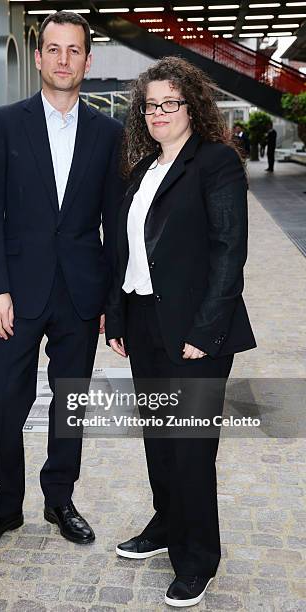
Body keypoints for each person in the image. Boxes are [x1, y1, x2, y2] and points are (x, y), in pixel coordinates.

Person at [0, 11, 124, 552]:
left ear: (86, 60)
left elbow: (114, 222)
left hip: (80, 291)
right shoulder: (5, 122)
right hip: (16, 292)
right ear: (38, 57)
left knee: (69, 399)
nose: (62, 59)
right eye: (53, 49)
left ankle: (59, 499)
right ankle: (5, 507)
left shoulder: (109, 133)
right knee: (4, 399)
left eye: (73, 50)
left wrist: (109, 298)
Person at [105, 57, 256, 607]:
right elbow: (126, 255)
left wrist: (206, 331)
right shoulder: (143, 169)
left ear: (191, 106)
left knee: (190, 447)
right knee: (159, 440)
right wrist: (118, 318)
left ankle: (198, 557)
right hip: (145, 321)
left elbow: (228, 251)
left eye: (170, 103)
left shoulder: (215, 162)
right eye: (150, 105)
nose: (159, 113)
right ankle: (167, 526)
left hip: (196, 331)